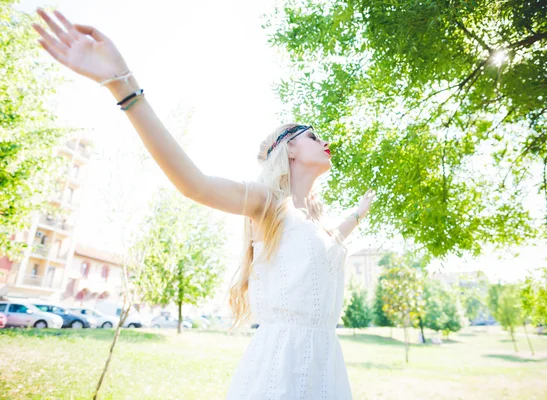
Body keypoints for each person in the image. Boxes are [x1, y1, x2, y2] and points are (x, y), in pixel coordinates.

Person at [33, 8, 376, 399]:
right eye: (313, 136)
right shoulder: (268, 203)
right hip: (281, 369)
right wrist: (122, 85)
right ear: (290, 149)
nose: (324, 141)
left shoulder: (316, 222)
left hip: (326, 366)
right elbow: (194, 184)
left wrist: (360, 211)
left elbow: (333, 239)